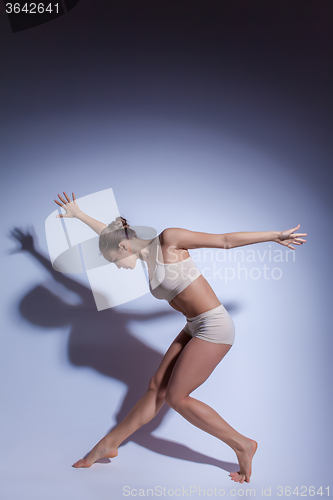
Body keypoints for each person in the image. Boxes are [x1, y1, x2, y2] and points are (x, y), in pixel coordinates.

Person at [54, 191, 307, 483]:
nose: (117, 265)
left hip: (214, 327)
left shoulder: (169, 240)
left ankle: (242, 444)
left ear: (124, 246)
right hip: (193, 325)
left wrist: (274, 235)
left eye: (113, 260)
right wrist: (80, 216)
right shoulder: (138, 253)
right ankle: (108, 445)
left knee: (177, 397)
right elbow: (109, 234)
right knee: (155, 388)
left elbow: (224, 241)